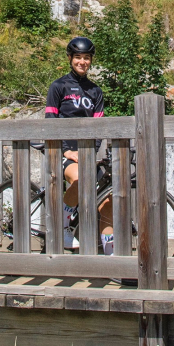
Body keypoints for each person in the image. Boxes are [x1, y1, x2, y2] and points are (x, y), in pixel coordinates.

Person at [45, 36, 112, 251]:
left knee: (108, 202)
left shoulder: (96, 91)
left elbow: (98, 127)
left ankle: (111, 257)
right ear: (70, 59)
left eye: (86, 58)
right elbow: (51, 123)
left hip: (86, 153)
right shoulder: (58, 87)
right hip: (63, 153)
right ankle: (62, 228)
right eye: (77, 57)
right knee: (81, 178)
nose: (82, 61)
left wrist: (89, 153)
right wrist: (66, 152)